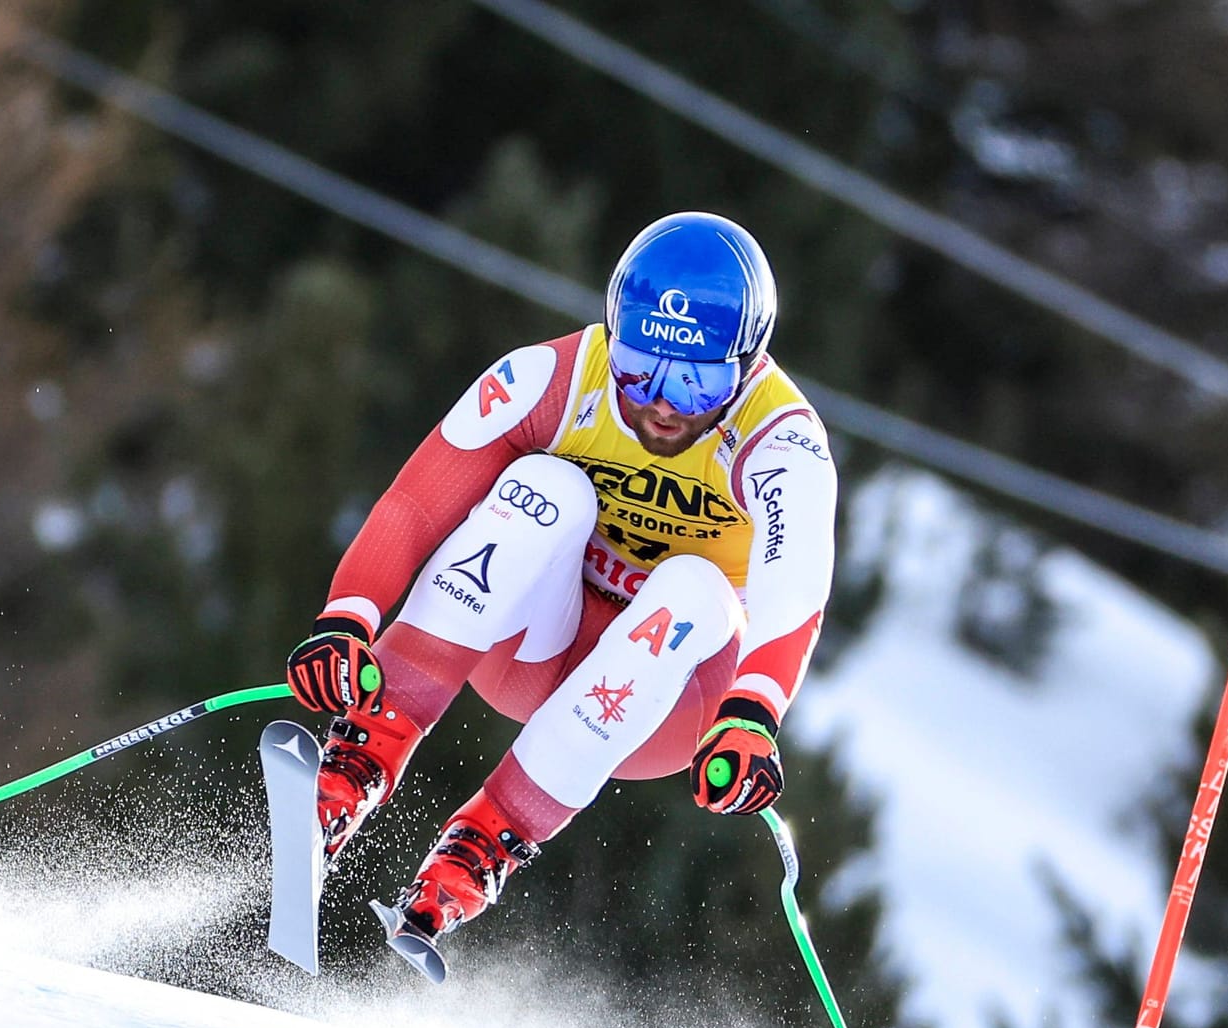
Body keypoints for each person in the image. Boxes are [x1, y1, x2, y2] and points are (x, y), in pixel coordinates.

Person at [284, 210, 837, 981]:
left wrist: (753, 713)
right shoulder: (553, 378)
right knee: (544, 486)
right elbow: (417, 504)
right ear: (613, 334)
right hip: (532, 646)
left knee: (696, 586)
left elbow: (795, 590)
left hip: (662, 705)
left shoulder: (785, 446)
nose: (663, 403)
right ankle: (361, 755)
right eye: (640, 365)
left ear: (748, 367)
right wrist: (349, 617)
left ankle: (484, 846)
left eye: (696, 378)